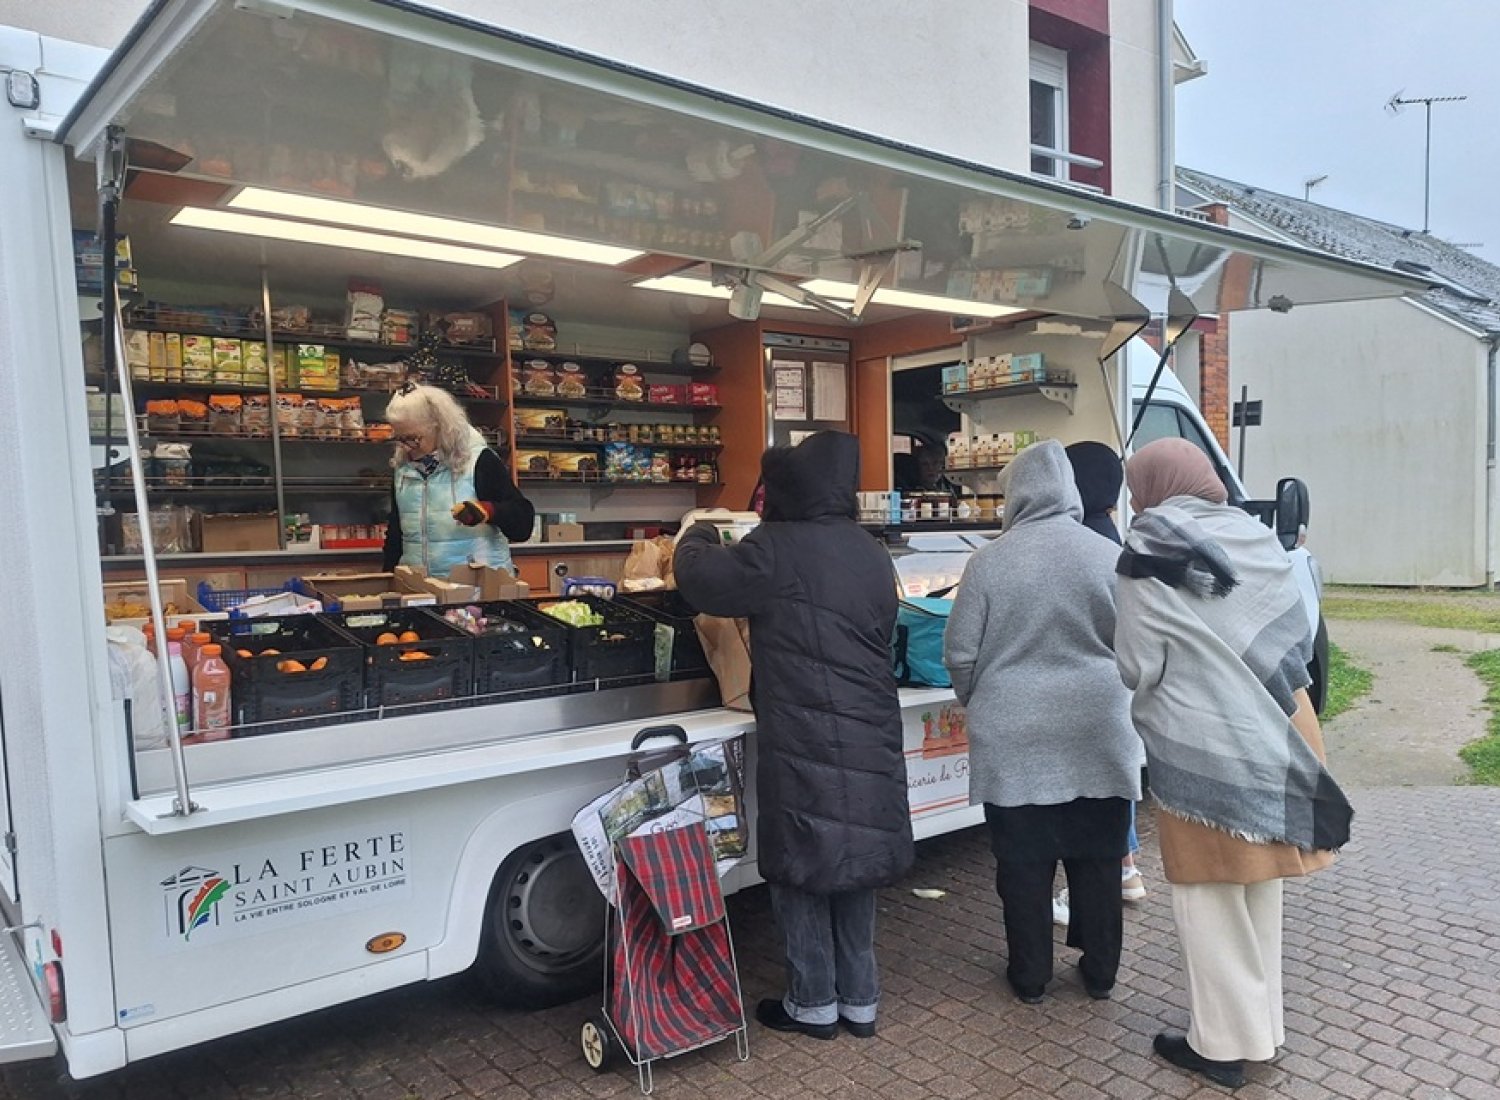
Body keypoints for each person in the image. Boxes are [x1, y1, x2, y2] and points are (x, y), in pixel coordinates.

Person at [1114, 438, 1352, 1090]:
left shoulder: (1147, 555)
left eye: (1136, 487)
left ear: (1154, 485)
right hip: (1282, 729)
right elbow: (1296, 629)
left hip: (1205, 746)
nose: (1134, 499)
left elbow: (1137, 663)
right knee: (1258, 889)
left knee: (1208, 898)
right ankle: (1262, 1030)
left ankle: (1220, 1046)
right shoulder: (1254, 536)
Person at [673, 431, 913, 1040]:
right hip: (870, 726)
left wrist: (698, 533)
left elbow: (704, 583)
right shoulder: (869, 550)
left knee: (801, 862)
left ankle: (812, 1002)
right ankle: (860, 999)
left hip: (805, 731)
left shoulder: (774, 547)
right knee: (855, 858)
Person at [943, 440, 1143, 1004]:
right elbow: (1136, 646)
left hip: (1013, 733)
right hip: (1098, 726)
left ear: (1015, 494)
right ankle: (1100, 972)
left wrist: (983, 698)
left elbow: (960, 654)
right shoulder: (1107, 554)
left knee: (1023, 862)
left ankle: (1030, 977)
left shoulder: (988, 562)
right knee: (1099, 856)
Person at [1052, 441, 1146, 929]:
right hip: (1116, 685)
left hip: (1084, 689)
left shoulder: (1076, 542)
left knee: (1089, 795)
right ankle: (1126, 867)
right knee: (1113, 779)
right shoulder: (1113, 539)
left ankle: (1110, 878)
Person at [381, 383, 534, 574]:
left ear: (440, 428)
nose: (405, 447)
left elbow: (523, 524)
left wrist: (489, 511)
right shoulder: (403, 470)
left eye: (413, 439)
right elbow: (396, 534)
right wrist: (388, 579)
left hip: (478, 585)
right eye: (399, 438)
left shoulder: (479, 461)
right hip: (420, 587)